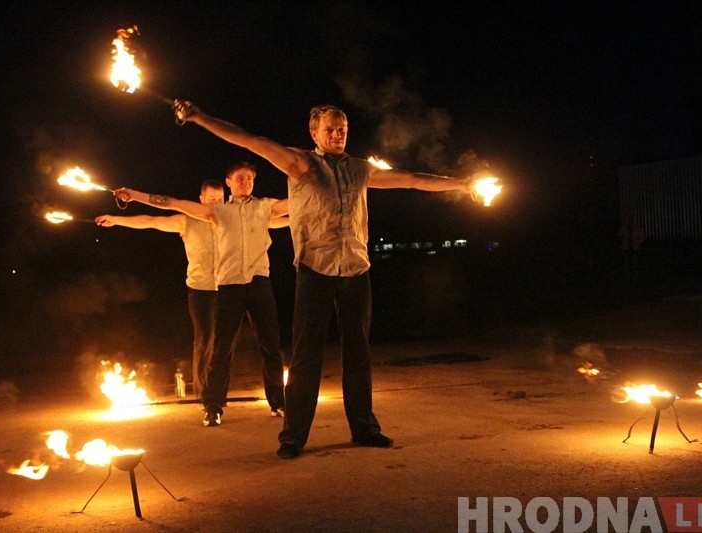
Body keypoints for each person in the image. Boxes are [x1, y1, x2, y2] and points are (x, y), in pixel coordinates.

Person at [172, 101, 477, 458]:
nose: (336, 135)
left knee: (359, 352)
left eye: (342, 129)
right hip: (315, 269)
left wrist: (461, 183)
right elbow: (250, 141)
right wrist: (201, 117)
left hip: (355, 269)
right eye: (329, 129)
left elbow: (410, 179)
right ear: (314, 133)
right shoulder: (302, 163)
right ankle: (293, 437)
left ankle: (364, 428)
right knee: (306, 355)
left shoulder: (360, 170)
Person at [114, 162, 290, 427]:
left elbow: (299, 202)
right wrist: (135, 195)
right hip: (229, 285)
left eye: (250, 178)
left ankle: (279, 402)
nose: (245, 181)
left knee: (270, 346)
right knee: (220, 349)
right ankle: (212, 406)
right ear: (228, 182)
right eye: (239, 178)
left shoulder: (265, 207)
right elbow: (171, 204)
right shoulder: (217, 212)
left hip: (259, 282)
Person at [95, 180, 223, 401]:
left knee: (223, 341)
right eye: (211, 200)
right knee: (204, 339)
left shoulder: (230, 220)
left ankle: (219, 391)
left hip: (227, 287)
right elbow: (152, 221)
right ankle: (206, 396)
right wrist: (117, 219)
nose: (215, 205)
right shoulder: (187, 221)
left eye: (220, 201)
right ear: (201, 200)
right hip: (200, 289)